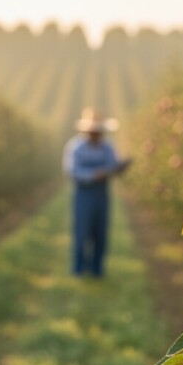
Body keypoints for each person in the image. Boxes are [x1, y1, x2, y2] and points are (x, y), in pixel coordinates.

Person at [63, 108, 130, 278]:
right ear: (87, 131)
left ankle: (97, 269)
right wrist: (94, 174)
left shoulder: (107, 147)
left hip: (101, 194)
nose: (97, 135)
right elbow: (72, 170)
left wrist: (120, 167)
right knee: (82, 231)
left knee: (100, 231)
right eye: (94, 132)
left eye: (99, 132)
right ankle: (78, 268)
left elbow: (113, 166)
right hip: (83, 194)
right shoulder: (76, 147)